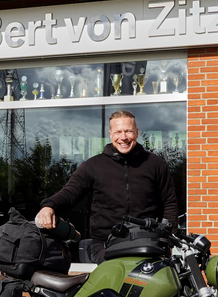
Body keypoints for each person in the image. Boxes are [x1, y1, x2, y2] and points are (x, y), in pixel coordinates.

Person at [36, 110, 179, 261]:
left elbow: (169, 203)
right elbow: (70, 192)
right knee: (115, 275)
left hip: (147, 240)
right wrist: (49, 206)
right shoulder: (93, 166)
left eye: (128, 131)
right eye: (118, 132)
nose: (123, 137)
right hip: (105, 244)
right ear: (110, 134)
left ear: (137, 132)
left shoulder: (155, 164)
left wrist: (168, 239)